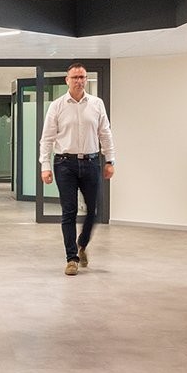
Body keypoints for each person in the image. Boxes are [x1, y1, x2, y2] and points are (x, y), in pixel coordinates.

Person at [38, 62, 115, 276]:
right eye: (75, 77)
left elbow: (105, 133)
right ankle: (71, 258)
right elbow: (47, 138)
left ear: (86, 79)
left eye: (82, 77)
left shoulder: (97, 104)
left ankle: (82, 244)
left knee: (94, 210)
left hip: (91, 162)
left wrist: (110, 160)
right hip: (65, 164)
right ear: (67, 80)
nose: (79, 81)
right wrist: (45, 165)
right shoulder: (57, 106)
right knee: (69, 211)